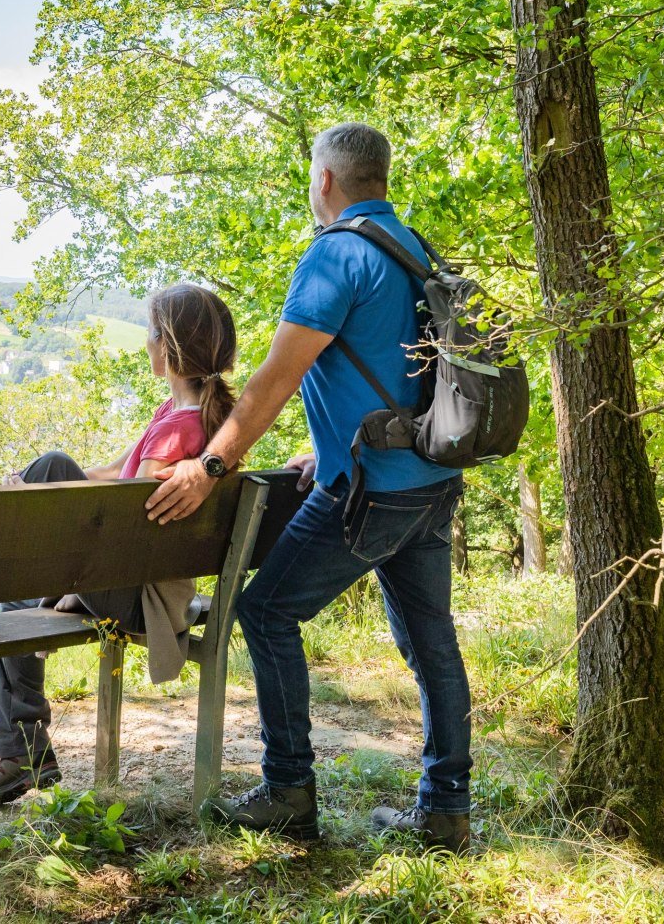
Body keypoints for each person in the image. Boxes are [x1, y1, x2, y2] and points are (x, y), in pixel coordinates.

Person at [144, 122, 472, 852]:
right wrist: (323, 449)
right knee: (433, 642)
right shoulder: (415, 250)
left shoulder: (336, 256)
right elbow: (394, 374)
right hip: (433, 481)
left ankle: (289, 789)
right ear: (380, 179)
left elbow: (273, 382)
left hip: (372, 490)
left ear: (326, 180)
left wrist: (212, 465)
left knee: (264, 613)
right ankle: (446, 808)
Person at [0, 282, 239, 806]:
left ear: (169, 346)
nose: (145, 343)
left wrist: (42, 506)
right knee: (22, 576)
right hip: (131, 579)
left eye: (150, 333)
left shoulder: (177, 433)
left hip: (140, 594)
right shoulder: (191, 414)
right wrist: (35, 497)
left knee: (48, 479)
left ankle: (23, 751)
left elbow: (130, 518)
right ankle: (23, 751)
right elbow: (115, 473)